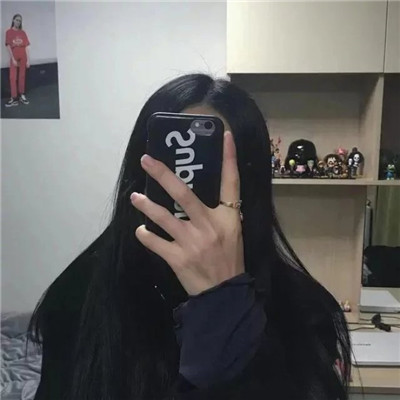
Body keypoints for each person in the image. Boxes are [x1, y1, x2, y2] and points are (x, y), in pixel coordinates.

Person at [27, 74, 352, 400]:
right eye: (176, 167)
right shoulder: (80, 296)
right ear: (141, 174)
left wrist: (224, 306)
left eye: (210, 170)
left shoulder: (303, 311)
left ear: (247, 185)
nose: (188, 194)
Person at [5, 14, 31, 107]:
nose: (18, 22)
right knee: (12, 77)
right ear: (13, 20)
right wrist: (12, 58)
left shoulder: (23, 33)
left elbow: (26, 46)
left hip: (23, 55)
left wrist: (28, 60)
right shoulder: (8, 32)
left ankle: (22, 95)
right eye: (17, 20)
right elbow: (8, 46)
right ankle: (14, 98)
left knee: (22, 76)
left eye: (20, 21)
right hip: (14, 56)